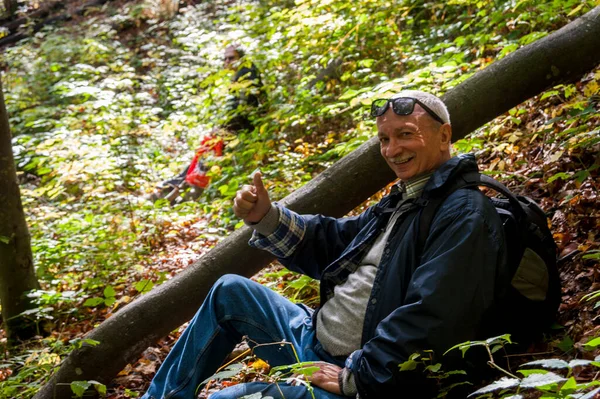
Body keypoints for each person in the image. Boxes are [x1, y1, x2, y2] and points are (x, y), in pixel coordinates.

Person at [141, 90, 511, 399]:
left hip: (359, 375)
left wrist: (357, 378)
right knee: (230, 291)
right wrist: (266, 216)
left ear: (444, 136)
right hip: (312, 338)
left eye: (405, 134)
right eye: (384, 138)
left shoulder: (463, 213)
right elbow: (335, 243)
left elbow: (434, 315)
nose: (392, 149)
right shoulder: (403, 200)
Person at [150, 44, 263, 203]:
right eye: (225, 58)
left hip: (242, 134)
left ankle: (177, 190)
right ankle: (175, 186)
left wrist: (222, 129)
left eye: (231, 57)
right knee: (206, 147)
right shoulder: (245, 73)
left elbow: (241, 111)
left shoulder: (246, 74)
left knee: (208, 149)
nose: (227, 61)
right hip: (241, 131)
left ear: (241, 58)